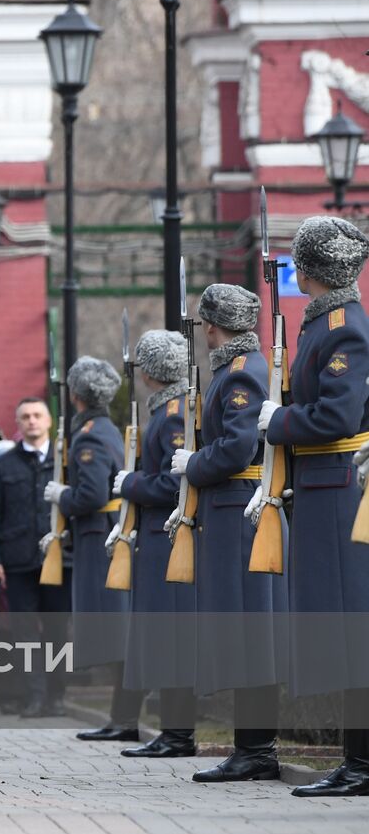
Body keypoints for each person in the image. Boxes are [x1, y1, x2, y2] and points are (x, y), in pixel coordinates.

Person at [264, 217, 369, 796]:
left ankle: (362, 766)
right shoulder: (323, 323)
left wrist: (276, 421)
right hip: (321, 488)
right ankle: (356, 761)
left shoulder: (343, 327)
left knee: (354, 632)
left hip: (338, 493)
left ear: (310, 269)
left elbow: (336, 417)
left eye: (297, 263)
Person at [177, 283, 287, 783]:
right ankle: (252, 747)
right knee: (243, 633)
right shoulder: (233, 370)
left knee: (252, 633)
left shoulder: (241, 374)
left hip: (238, 512)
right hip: (228, 512)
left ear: (214, 327)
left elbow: (238, 447)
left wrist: (192, 464)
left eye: (203, 327)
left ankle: (258, 749)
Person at [45, 356, 146, 743]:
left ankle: (124, 718)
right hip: (104, 533)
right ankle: (121, 717)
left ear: (75, 395)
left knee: (115, 633)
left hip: (98, 536)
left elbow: (91, 494)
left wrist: (63, 494)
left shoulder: (89, 434)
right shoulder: (101, 428)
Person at [113, 330, 197, 759]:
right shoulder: (167, 409)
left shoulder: (172, 415)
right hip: (159, 537)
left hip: (168, 538)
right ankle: (173, 731)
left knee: (171, 638)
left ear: (148, 372)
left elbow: (172, 483)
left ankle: (178, 734)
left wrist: (131, 483)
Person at [0, 397, 66, 718]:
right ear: (17, 424)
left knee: (58, 630)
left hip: (58, 555)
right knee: (24, 633)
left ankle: (57, 696)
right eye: (25, 417)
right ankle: (34, 696)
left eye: (37, 415)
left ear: (48, 421)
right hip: (17, 558)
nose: (32, 421)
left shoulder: (64, 461)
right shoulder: (3, 465)